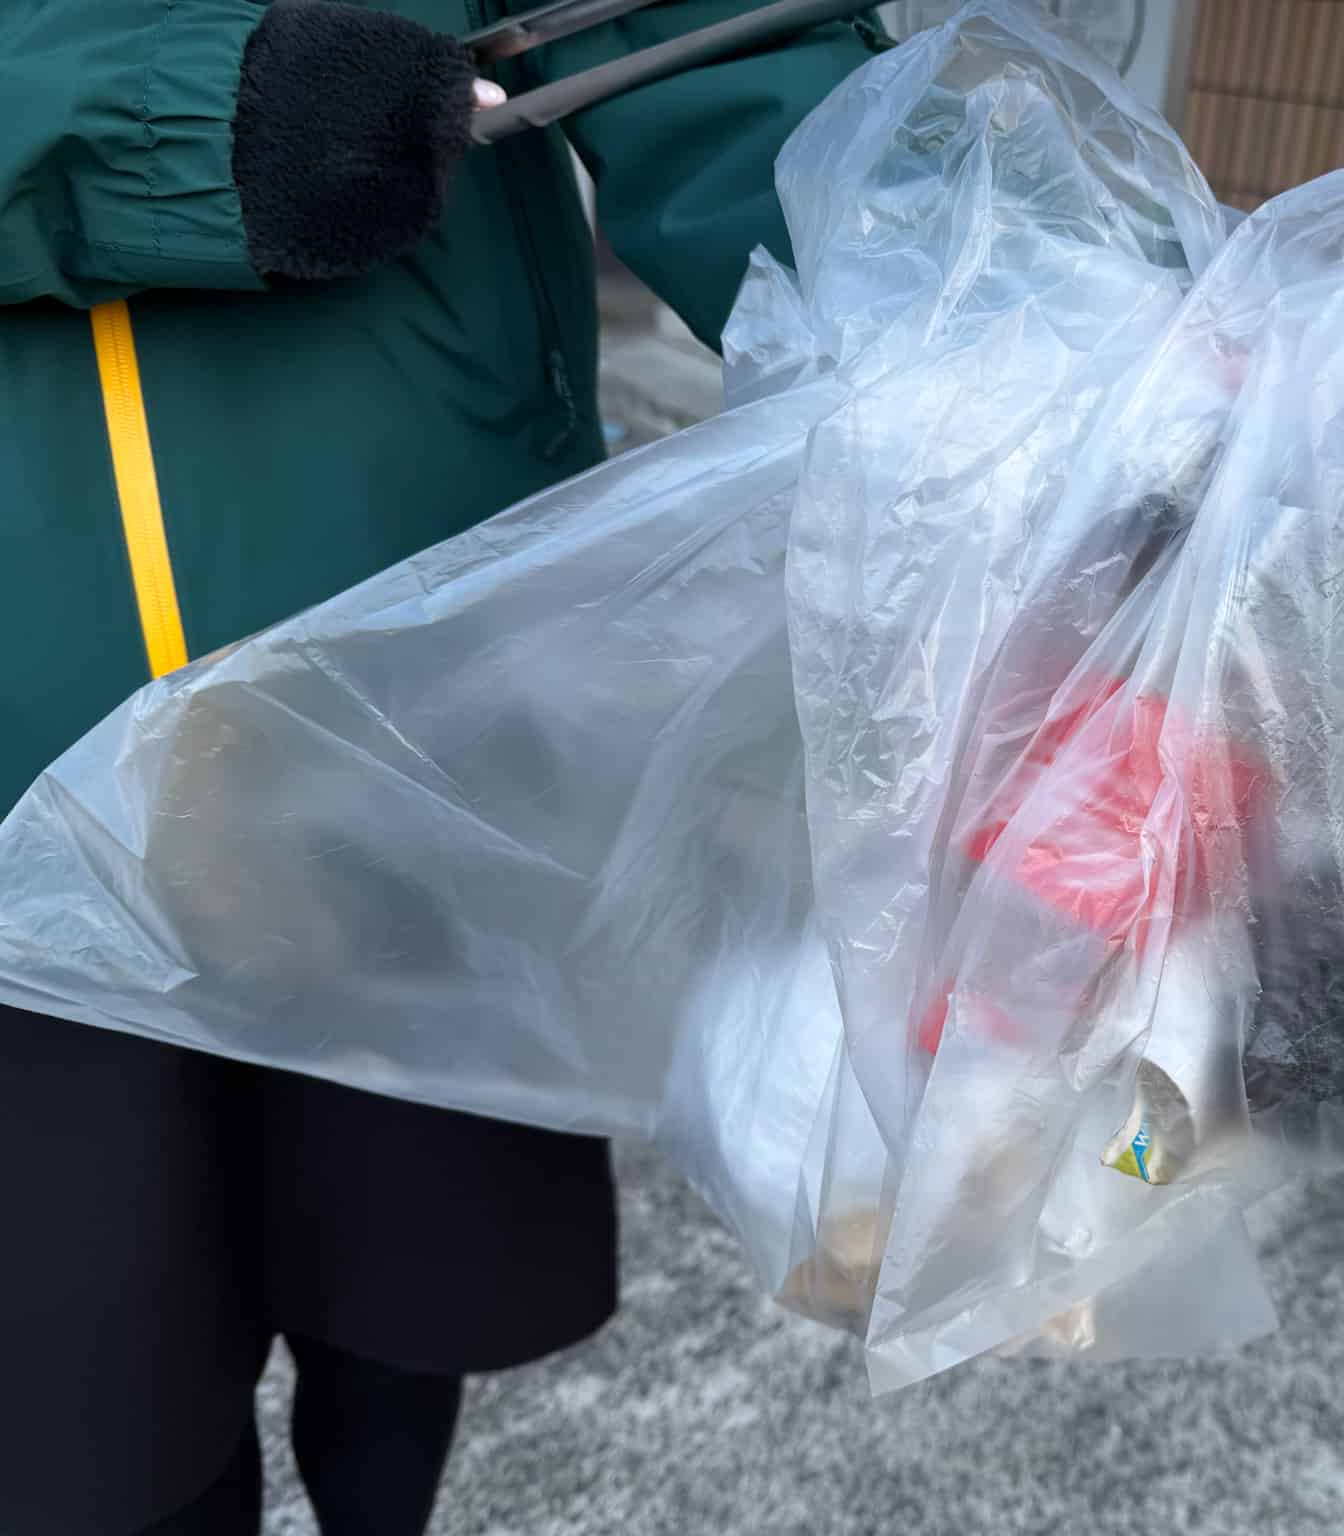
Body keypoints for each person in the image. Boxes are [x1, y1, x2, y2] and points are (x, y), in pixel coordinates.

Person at [0, 3, 887, 1532]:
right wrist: (143, 123)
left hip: (428, 689)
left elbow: (718, 44)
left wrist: (983, 287)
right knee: (94, 1400)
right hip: (27, 788)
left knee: (406, 1297)